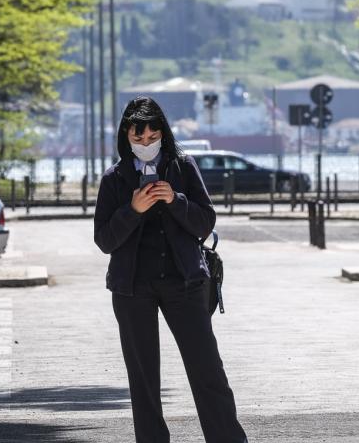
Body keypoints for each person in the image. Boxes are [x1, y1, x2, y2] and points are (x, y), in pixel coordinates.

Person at [94, 96, 247, 443]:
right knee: (143, 380)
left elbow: (205, 223)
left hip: (185, 282)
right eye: (138, 137)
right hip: (132, 288)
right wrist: (132, 209)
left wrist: (175, 200)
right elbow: (104, 240)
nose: (146, 143)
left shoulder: (183, 166)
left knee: (208, 370)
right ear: (126, 137)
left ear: (163, 133)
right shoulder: (114, 178)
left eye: (153, 136)